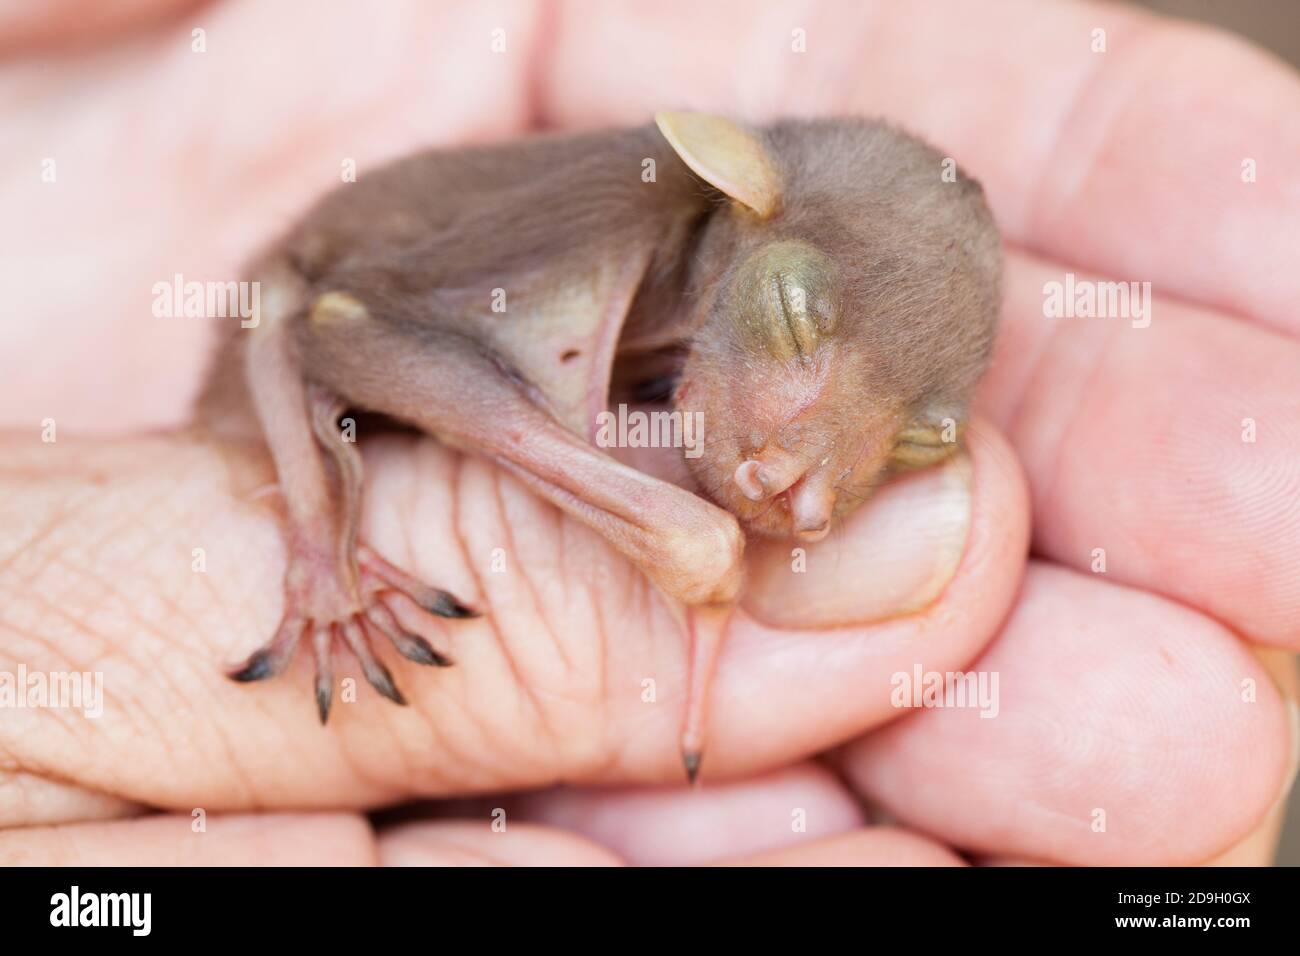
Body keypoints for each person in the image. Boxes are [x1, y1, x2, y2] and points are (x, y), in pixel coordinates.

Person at [0, 0, 1295, 866]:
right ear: (732, 194)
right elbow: (318, 328)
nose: (806, 487)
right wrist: (334, 557)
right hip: (291, 355)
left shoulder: (688, 316)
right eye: (794, 317)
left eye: (900, 449)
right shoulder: (590, 244)